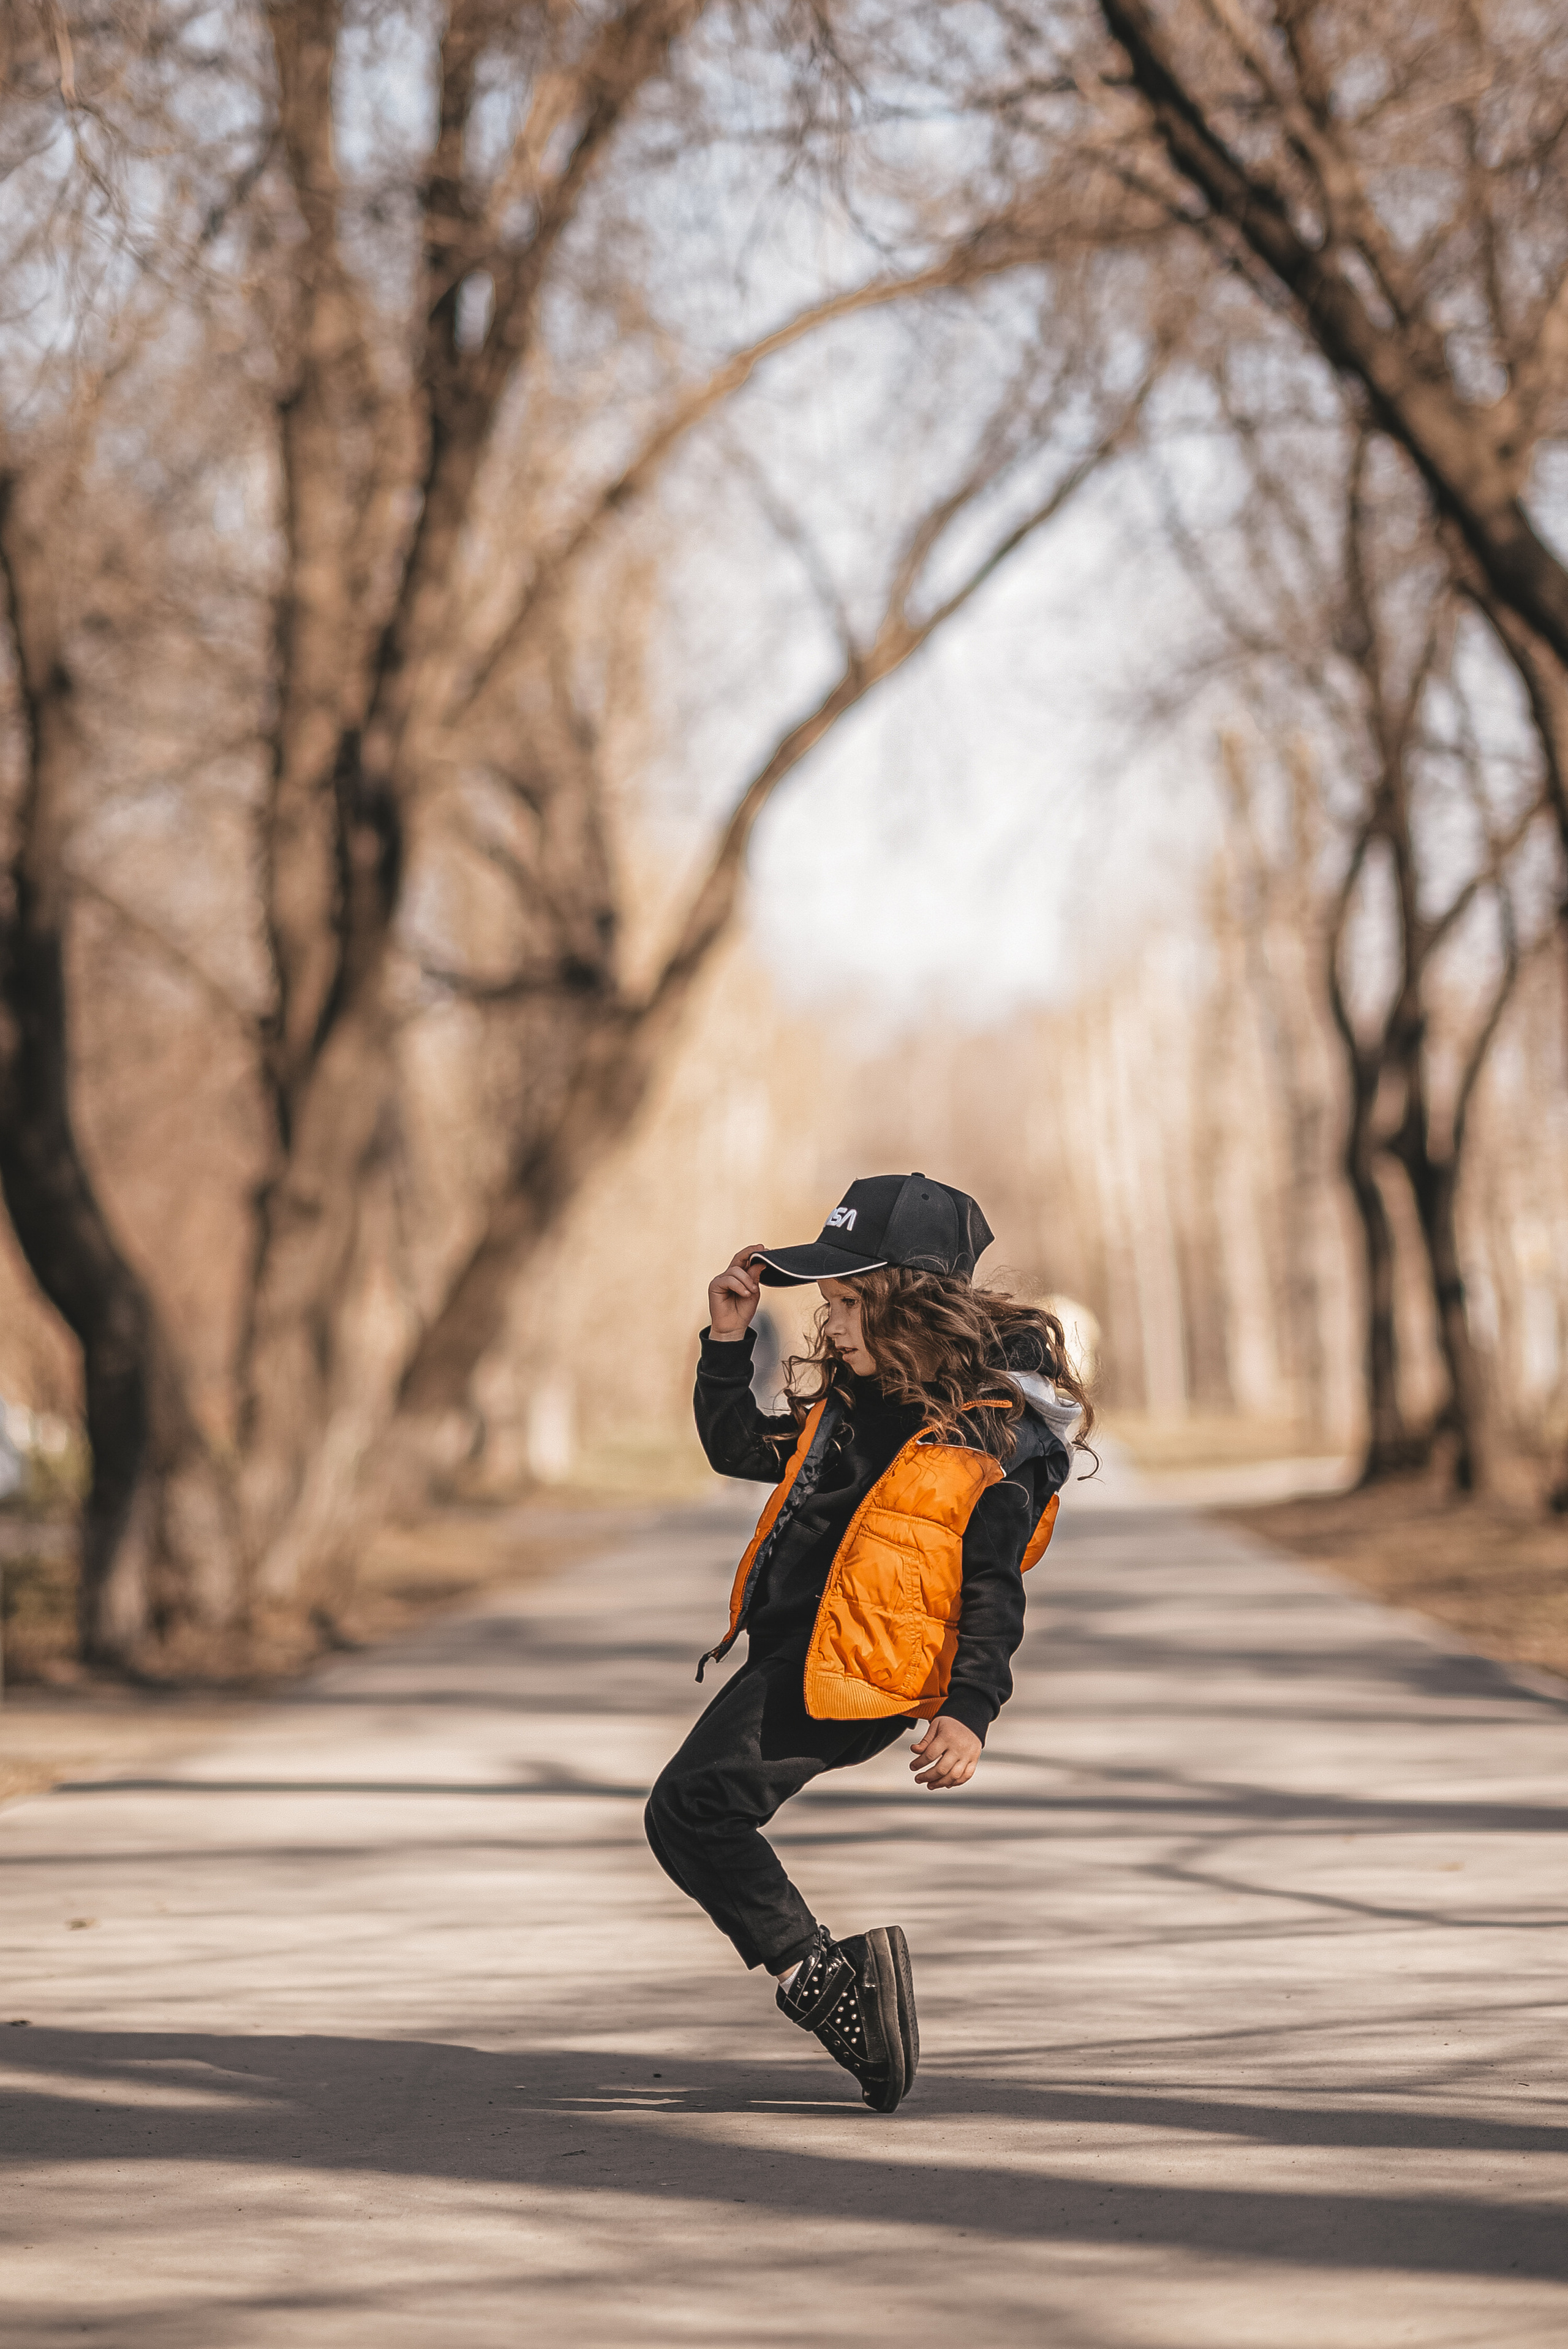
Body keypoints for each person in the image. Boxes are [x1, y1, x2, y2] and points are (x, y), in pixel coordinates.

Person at [644, 1172, 1093, 2114]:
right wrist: (727, 1341)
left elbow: (994, 1585)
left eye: (851, 1302)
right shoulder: (858, 1403)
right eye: (832, 1303)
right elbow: (739, 1449)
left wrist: (969, 1710)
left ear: (911, 1301)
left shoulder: (987, 1435)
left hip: (859, 1665)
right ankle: (842, 1982)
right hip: (805, 1649)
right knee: (691, 1811)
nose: (834, 1323)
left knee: (691, 1808)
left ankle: (839, 1989)